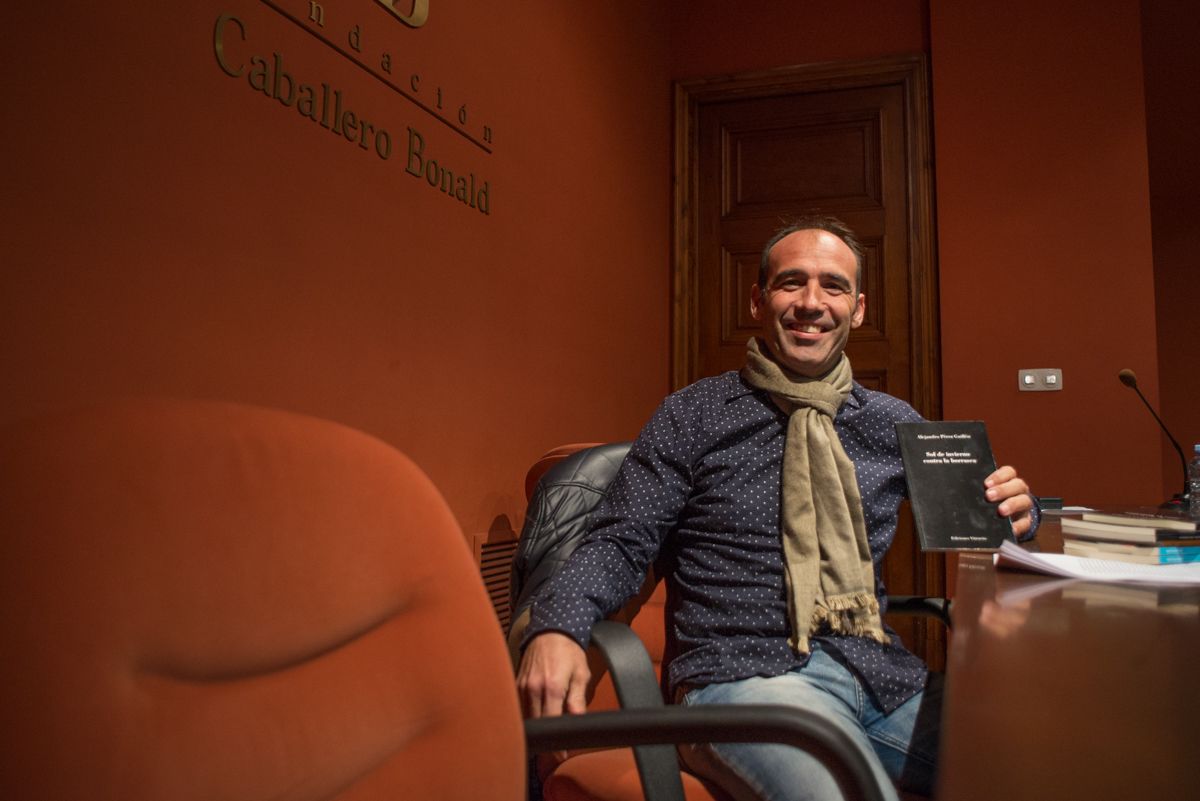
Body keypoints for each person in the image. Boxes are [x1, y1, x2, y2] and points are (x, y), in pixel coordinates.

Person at [516, 216, 1038, 801]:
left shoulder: (892, 422)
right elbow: (619, 541)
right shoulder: (695, 415)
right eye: (792, 283)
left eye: (833, 287)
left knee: (1051, 760)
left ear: (858, 309)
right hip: (741, 682)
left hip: (880, 677)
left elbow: (984, 513)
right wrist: (557, 626)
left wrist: (1020, 510)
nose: (812, 303)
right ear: (758, 300)